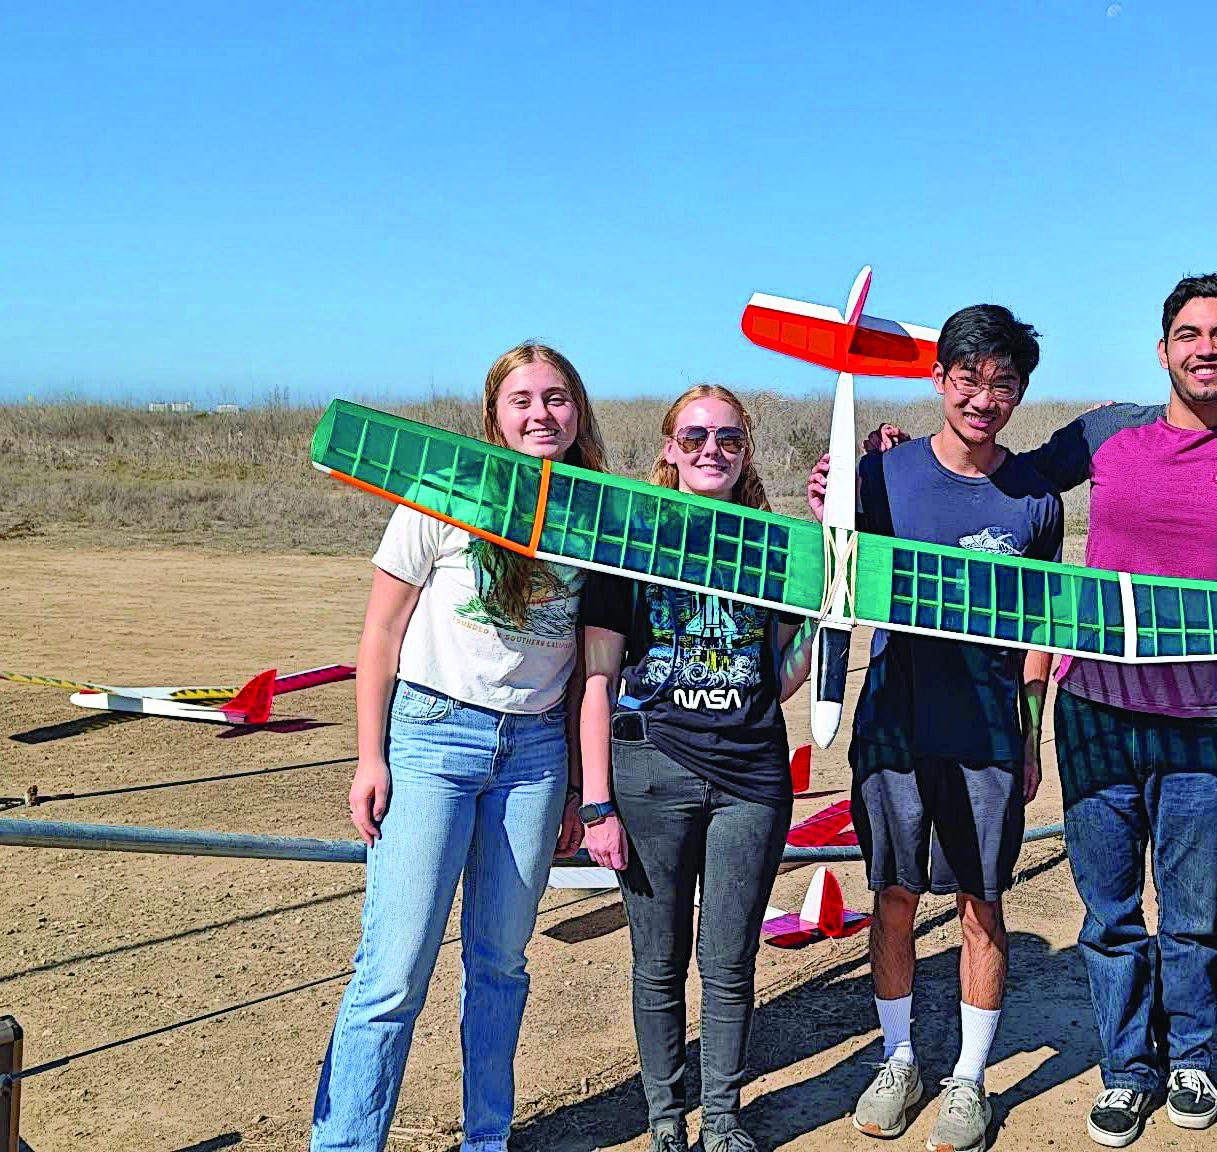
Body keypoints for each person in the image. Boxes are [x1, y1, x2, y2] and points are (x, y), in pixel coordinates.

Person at [834, 274, 1217, 1147]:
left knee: (1195, 908)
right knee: (1109, 911)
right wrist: (877, 467)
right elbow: (994, 474)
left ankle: (1193, 1059)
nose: (1206, 348)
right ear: (1163, 348)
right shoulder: (1103, 432)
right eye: (1189, 334)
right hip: (1092, 712)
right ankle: (1127, 1069)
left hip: (1203, 721)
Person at [312, 342, 602, 1152]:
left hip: (536, 753)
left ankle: (487, 1138)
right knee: (393, 973)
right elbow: (380, 634)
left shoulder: (594, 513)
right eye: (522, 400)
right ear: (495, 415)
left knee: (500, 965)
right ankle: (344, 1143)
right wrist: (370, 757)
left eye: (556, 398)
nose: (541, 414)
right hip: (433, 738)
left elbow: (586, 661)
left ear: (577, 411)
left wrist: (578, 785)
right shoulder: (442, 495)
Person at [813, 306, 1061, 1152]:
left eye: (1002, 384)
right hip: (893, 723)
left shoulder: (1036, 499)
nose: (982, 398)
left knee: (981, 905)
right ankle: (900, 1059)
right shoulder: (884, 476)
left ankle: (968, 1078)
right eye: (968, 378)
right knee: (892, 897)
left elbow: (1040, 629)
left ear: (1018, 394)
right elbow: (835, 572)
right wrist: (829, 499)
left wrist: (1029, 732)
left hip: (989, 730)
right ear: (938, 381)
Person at [576, 385, 818, 1152]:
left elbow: (778, 675)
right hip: (650, 771)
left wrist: (820, 620)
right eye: (694, 437)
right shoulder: (630, 540)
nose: (710, 449)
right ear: (669, 449)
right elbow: (596, 678)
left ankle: (720, 1118)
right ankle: (663, 1120)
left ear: (745, 450)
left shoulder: (773, 545)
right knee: (658, 962)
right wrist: (595, 805)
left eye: (728, 438)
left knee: (729, 961)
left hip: (750, 780)